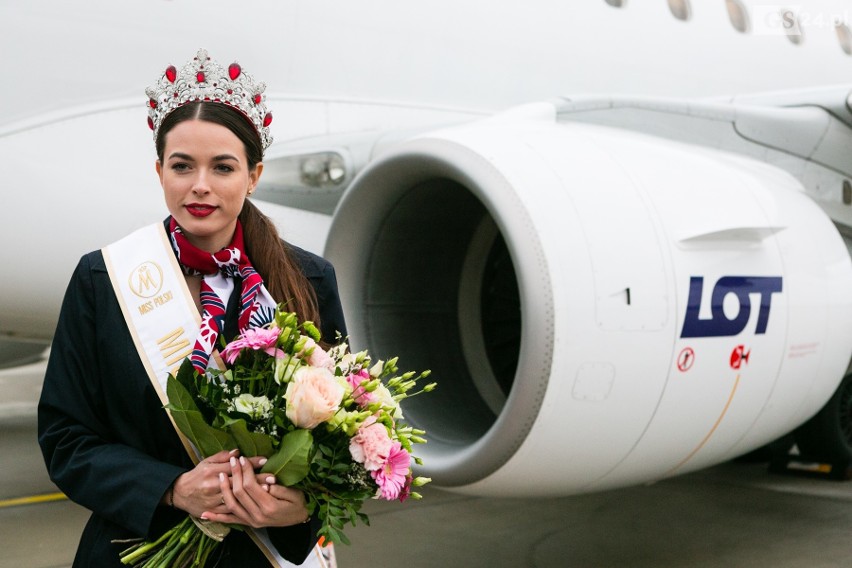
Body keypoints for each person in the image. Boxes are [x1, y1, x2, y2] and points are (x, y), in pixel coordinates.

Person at [37, 49, 346, 567]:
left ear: (254, 175)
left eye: (222, 167)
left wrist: (298, 508)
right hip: (139, 548)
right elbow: (66, 438)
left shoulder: (308, 279)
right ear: (160, 171)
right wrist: (173, 488)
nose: (200, 184)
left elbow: (342, 433)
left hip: (263, 554)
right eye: (182, 166)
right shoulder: (103, 279)